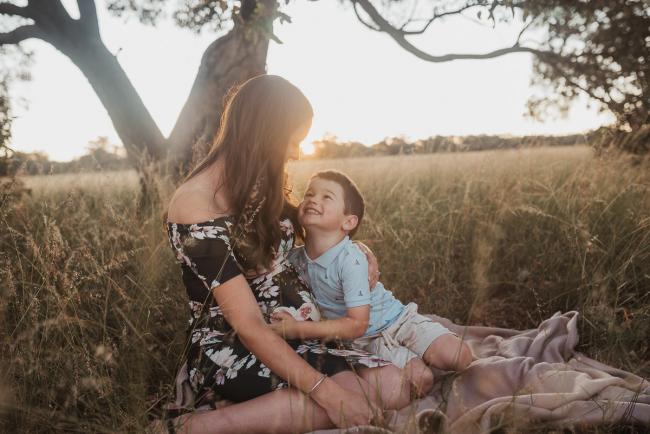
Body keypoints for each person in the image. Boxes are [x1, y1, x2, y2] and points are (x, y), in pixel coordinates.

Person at [162, 75, 411, 434]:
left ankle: (267, 410)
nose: (295, 153)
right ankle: (201, 426)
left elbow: (311, 226)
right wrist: (325, 392)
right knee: (332, 403)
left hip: (295, 331)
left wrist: (358, 246)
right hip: (235, 346)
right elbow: (247, 325)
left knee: (395, 387)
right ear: (266, 133)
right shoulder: (195, 206)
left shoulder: (256, 181)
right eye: (293, 141)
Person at [269, 170, 474, 397]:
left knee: (458, 356)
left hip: (396, 320)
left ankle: (426, 345)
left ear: (348, 221)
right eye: (309, 194)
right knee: (421, 381)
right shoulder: (294, 260)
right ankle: (413, 359)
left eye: (326, 197)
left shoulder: (352, 259)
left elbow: (357, 323)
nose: (313, 200)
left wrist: (297, 329)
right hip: (363, 342)